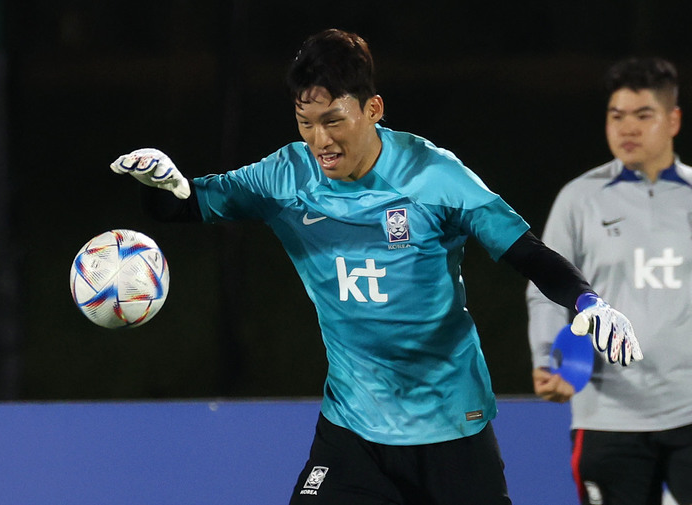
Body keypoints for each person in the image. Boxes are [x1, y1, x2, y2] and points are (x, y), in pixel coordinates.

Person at [111, 29, 640, 505]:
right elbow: (187, 206)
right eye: (306, 123)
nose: (320, 140)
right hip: (352, 432)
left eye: (333, 121)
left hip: (450, 427)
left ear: (373, 109)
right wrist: (165, 188)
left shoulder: (434, 178)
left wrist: (586, 301)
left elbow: (526, 252)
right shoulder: (287, 176)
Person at [527, 56, 692, 505]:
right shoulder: (579, 199)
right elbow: (545, 291)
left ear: (673, 120)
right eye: (616, 116)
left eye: (643, 115)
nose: (627, 128)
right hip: (607, 417)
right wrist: (547, 358)